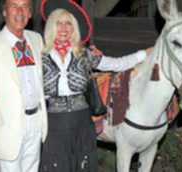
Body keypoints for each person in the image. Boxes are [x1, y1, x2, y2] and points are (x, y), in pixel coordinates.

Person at [39, 0, 151, 171]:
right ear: (50, 27)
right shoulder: (40, 56)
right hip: (53, 125)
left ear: (74, 28)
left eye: (68, 23)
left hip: (82, 123)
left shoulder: (85, 55)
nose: (63, 28)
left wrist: (146, 53)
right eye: (58, 23)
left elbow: (118, 64)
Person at [0, 0, 48, 171]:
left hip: (36, 121)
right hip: (8, 126)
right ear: (4, 12)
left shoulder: (36, 40)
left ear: (30, 13)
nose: (20, 11)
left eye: (25, 7)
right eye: (14, 6)